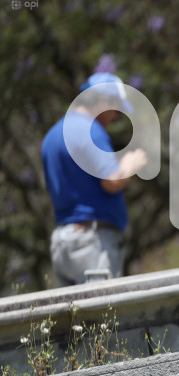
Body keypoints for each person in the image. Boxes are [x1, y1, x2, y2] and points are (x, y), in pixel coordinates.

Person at [41, 72, 148, 286]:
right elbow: (111, 181)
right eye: (115, 107)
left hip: (64, 242)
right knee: (102, 316)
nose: (116, 117)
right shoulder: (90, 130)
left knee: (74, 318)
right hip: (92, 243)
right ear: (102, 101)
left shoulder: (52, 136)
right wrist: (130, 165)